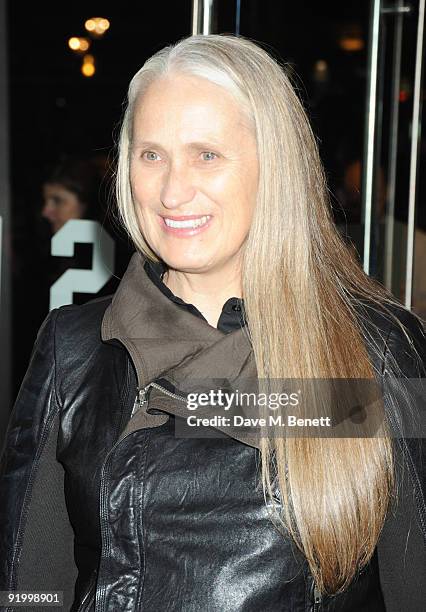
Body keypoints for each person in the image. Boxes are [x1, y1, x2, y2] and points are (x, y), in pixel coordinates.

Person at [0, 34, 425, 612]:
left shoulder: (371, 349)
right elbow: (31, 585)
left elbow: (412, 583)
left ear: (274, 167)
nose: (173, 191)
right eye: (152, 155)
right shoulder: (75, 347)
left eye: (207, 154)